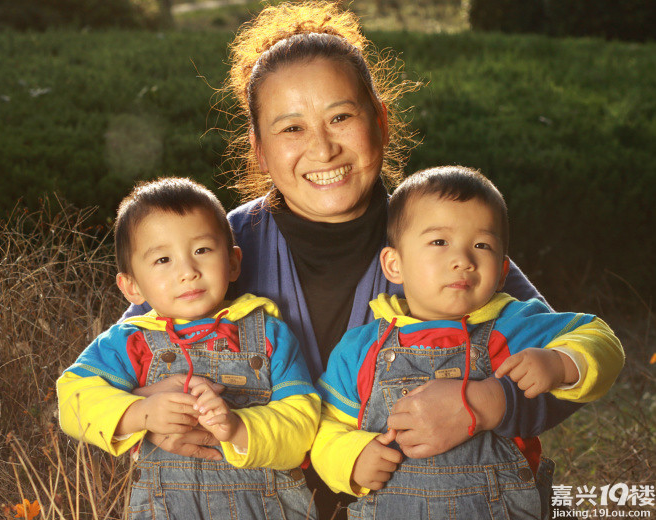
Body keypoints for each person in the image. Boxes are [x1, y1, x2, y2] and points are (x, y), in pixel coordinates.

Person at [59, 2, 623, 517]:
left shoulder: (441, 243)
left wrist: (491, 403)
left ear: (379, 118)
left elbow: (560, 366)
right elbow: (122, 363)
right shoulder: (219, 248)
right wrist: (149, 411)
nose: (323, 148)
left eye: (341, 118)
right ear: (257, 145)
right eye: (291, 128)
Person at [310, 166, 624, 519]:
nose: (463, 260)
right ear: (394, 264)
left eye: (482, 245)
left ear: (503, 271)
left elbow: (602, 338)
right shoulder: (361, 348)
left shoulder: (511, 325)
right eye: (439, 242)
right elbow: (324, 424)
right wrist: (350, 458)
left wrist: (561, 362)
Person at [58, 177, 320, 519]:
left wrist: (238, 428)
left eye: (202, 250)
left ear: (233, 262)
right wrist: (142, 412)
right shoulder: (131, 341)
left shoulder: (270, 333)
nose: (188, 271)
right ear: (132, 286)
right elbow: (72, 401)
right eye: (163, 260)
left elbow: (302, 422)